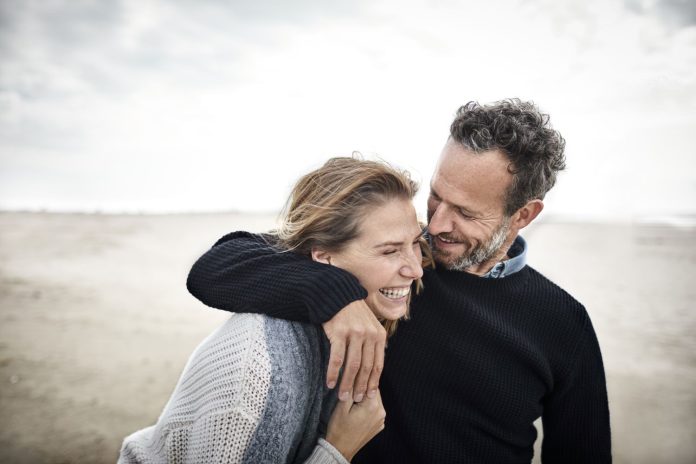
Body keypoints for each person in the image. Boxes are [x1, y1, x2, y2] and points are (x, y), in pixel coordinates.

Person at [187, 99, 612, 463]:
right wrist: (336, 296)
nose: (438, 223)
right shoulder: (395, 263)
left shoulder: (565, 324)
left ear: (523, 215)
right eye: (437, 196)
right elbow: (218, 266)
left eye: (465, 212)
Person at [118, 157, 427, 463]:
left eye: (416, 242)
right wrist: (337, 450)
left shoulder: (405, 284)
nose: (416, 269)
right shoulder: (254, 378)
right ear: (324, 258)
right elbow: (216, 264)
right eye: (390, 251)